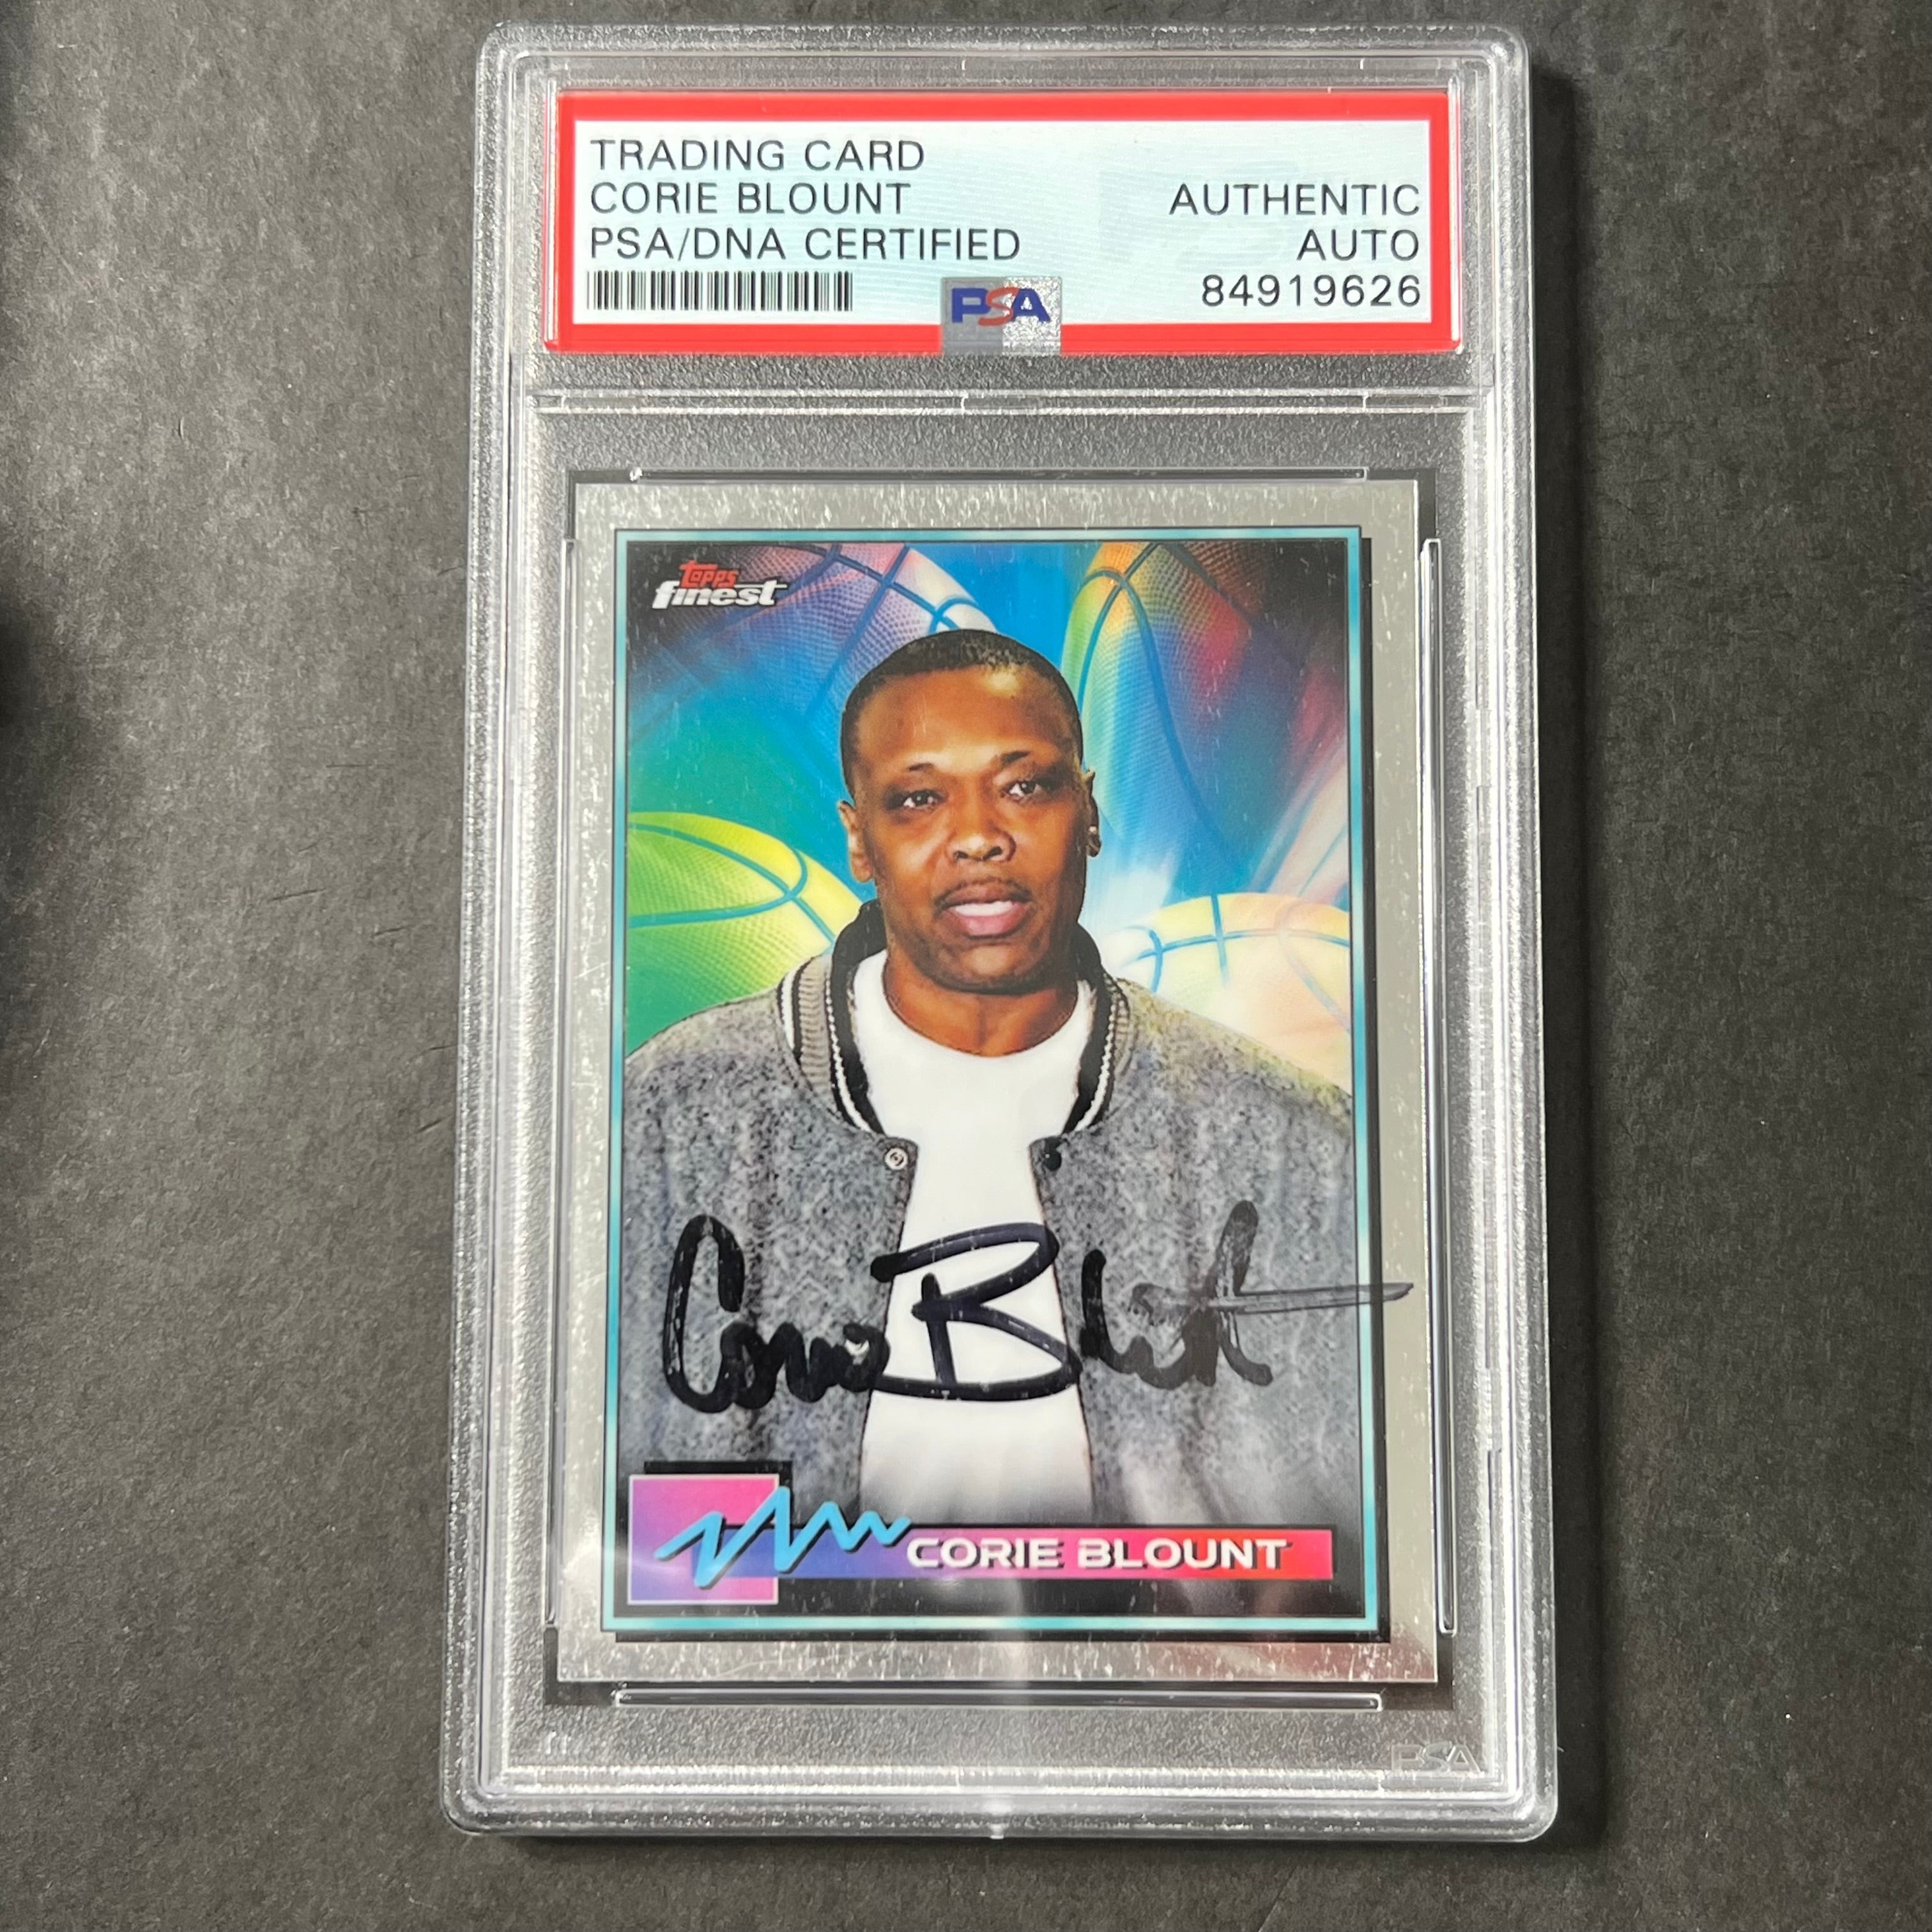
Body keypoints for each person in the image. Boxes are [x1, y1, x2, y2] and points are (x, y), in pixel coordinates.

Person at [619, 630, 1361, 1557]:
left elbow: (1330, 1556)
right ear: (858, 838)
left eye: (1024, 786)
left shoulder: (1288, 1140)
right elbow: (634, 1554)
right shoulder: (672, 1113)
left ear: (1088, 813)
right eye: (919, 798)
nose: (978, 836)